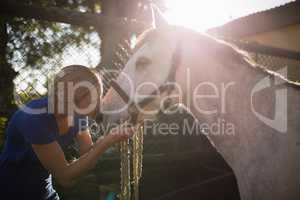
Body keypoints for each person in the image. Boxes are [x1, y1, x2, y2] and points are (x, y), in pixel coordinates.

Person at [0, 65, 134, 200]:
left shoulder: (78, 115)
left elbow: (87, 156)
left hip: (45, 194)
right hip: (10, 192)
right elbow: (65, 177)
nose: (99, 104)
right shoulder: (34, 118)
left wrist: (112, 136)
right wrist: (107, 141)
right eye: (95, 98)